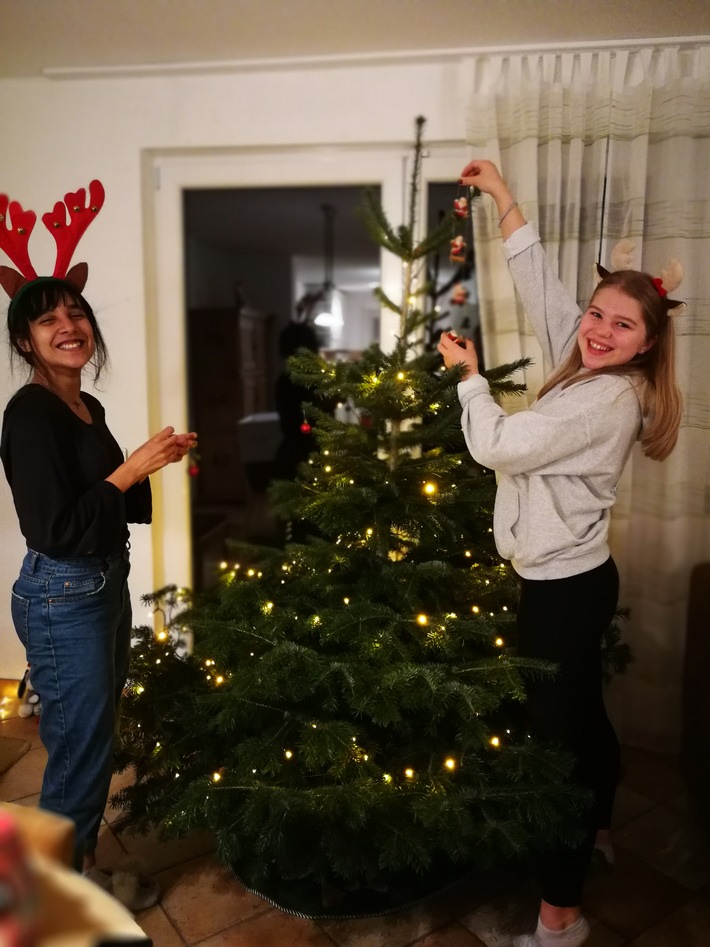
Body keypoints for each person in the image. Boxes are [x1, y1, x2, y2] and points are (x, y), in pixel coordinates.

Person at [438, 159, 682, 947]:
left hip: (563, 593)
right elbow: (542, 287)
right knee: (582, 720)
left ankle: (561, 916)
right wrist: (504, 200)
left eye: (622, 325)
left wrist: (471, 381)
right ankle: (603, 830)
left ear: (646, 345)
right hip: (572, 581)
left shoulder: (609, 397)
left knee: (559, 751)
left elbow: (502, 444)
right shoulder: (586, 364)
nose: (599, 329)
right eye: (598, 314)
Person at [0, 184, 197, 907]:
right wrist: (132, 468)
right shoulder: (29, 414)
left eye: (75, 312)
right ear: (25, 341)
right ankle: (46, 908)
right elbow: (52, 526)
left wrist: (153, 461)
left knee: (91, 743)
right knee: (79, 757)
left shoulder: (84, 403)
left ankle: (68, 877)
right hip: (63, 594)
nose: (67, 324)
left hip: (98, 584)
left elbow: (101, 497)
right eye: (47, 319)